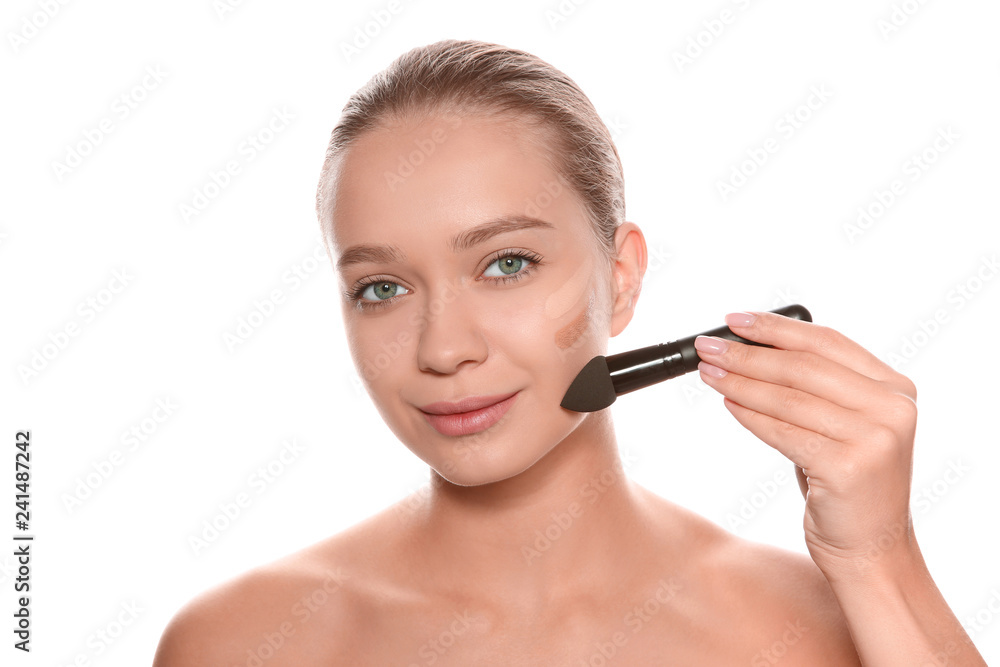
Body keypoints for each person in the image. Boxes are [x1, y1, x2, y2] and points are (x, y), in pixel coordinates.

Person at [153, 39, 986, 665]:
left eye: (506, 263)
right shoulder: (240, 642)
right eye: (382, 288)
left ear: (620, 280)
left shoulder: (806, 632)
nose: (443, 348)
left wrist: (879, 559)